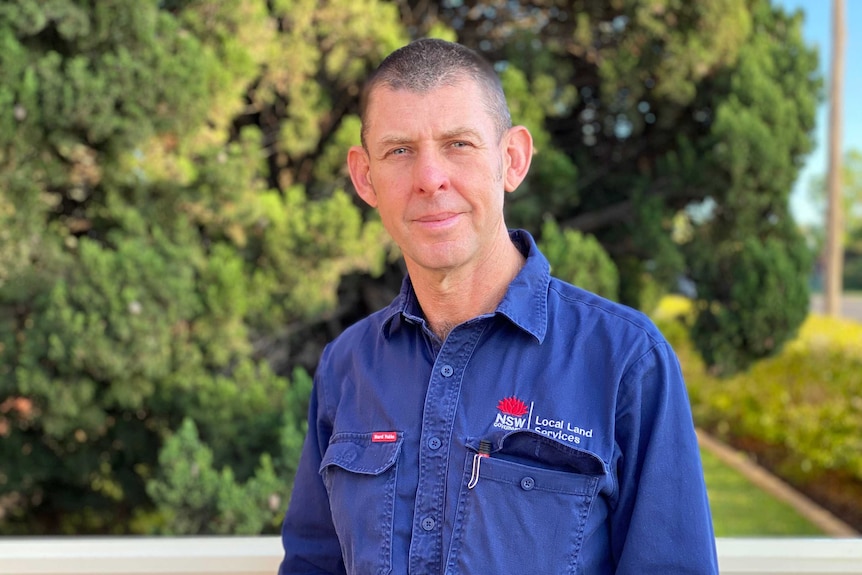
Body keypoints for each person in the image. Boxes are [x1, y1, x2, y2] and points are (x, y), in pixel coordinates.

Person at [279, 38, 718, 574]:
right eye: (399, 150)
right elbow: (312, 564)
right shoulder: (346, 367)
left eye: (459, 144)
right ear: (364, 176)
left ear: (512, 160)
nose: (430, 178)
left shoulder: (625, 361)